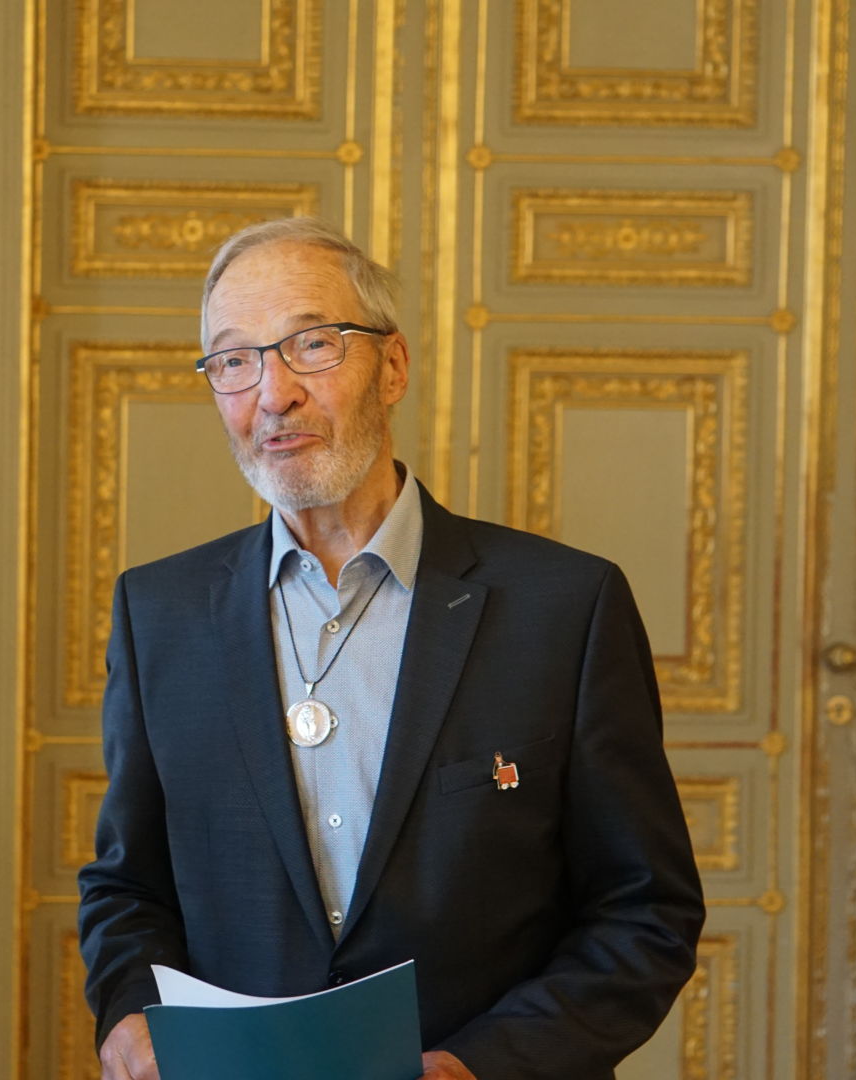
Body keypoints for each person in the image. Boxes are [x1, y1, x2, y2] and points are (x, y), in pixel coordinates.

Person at [78, 217, 704, 1080]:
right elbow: (127, 887)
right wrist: (128, 1017)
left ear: (394, 366)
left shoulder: (564, 608)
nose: (273, 393)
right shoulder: (161, 613)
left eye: (311, 345)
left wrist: (481, 1066)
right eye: (234, 360)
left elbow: (645, 912)